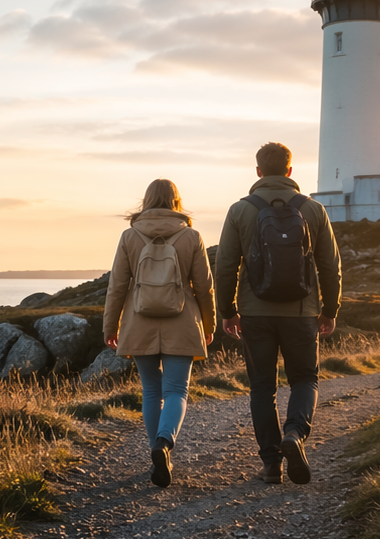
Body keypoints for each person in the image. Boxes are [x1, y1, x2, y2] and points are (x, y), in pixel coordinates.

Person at [214, 142, 342, 485]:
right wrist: (329, 309)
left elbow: (225, 266)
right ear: (290, 170)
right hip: (302, 312)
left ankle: (271, 465)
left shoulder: (240, 210)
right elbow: (330, 266)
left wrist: (227, 312)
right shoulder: (313, 209)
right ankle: (295, 435)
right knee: (305, 379)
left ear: (258, 172)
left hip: (255, 313)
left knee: (262, 387)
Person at [103, 179, 216, 488]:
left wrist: (110, 326)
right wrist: (209, 325)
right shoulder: (191, 235)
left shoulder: (129, 235)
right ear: (176, 201)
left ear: (147, 200)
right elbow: (204, 287)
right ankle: (165, 445)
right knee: (177, 390)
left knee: (151, 391)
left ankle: (156, 450)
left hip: (139, 322)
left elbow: (117, 287)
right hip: (182, 321)